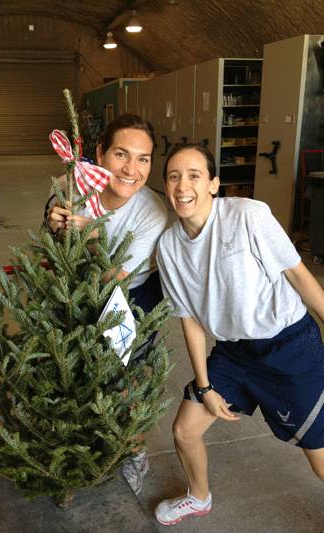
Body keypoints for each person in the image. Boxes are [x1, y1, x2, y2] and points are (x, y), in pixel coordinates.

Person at [154, 143, 324, 525]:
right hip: (233, 353)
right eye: (174, 176)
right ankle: (198, 497)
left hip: (289, 346)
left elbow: (297, 273)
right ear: (165, 186)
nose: (183, 185)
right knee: (184, 430)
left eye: (194, 175)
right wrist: (205, 387)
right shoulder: (168, 247)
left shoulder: (248, 215)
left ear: (214, 184)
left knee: (320, 460)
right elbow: (190, 320)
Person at [46, 113, 168, 495]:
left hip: (131, 295)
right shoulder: (71, 186)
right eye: (121, 154)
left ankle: (133, 454)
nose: (132, 169)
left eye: (143, 158)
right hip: (73, 284)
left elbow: (112, 281)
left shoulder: (152, 214)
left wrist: (93, 235)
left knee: (122, 385)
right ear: (99, 152)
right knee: (71, 370)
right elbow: (51, 244)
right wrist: (54, 225)